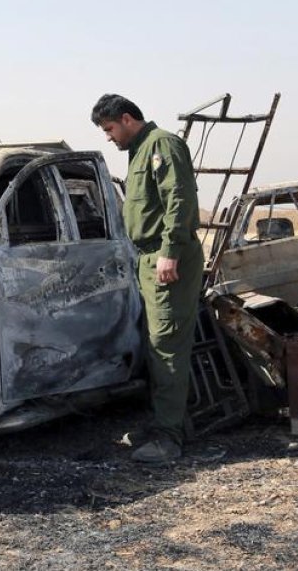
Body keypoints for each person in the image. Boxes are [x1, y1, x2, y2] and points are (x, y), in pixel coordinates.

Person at [91, 93, 203, 463]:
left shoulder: (162, 145)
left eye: (110, 129)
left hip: (166, 257)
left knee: (166, 346)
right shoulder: (139, 151)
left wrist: (170, 251)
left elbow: (179, 200)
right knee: (155, 346)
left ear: (127, 119)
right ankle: (167, 424)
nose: (109, 137)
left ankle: (169, 439)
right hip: (149, 258)